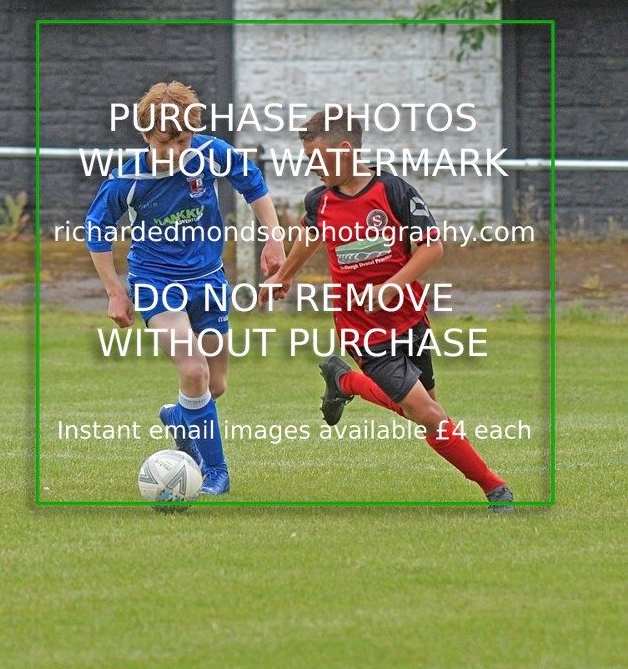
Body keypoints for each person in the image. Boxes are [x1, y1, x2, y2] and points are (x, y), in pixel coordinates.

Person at [258, 108, 515, 512]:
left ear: (345, 150)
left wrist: (391, 287)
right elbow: (311, 236)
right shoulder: (320, 201)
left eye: (317, 160)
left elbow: (431, 246)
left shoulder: (393, 191)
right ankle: (495, 487)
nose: (313, 169)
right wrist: (284, 275)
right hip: (363, 330)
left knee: (423, 409)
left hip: (410, 319)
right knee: (429, 414)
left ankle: (344, 382)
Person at [86, 81, 284, 495]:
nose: (176, 151)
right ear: (145, 136)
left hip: (208, 279)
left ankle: (179, 418)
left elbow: (251, 182)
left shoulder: (208, 153)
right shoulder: (129, 179)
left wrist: (274, 237)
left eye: (182, 140)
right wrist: (115, 291)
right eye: (164, 142)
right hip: (156, 282)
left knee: (214, 386)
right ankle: (216, 473)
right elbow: (96, 229)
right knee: (193, 371)